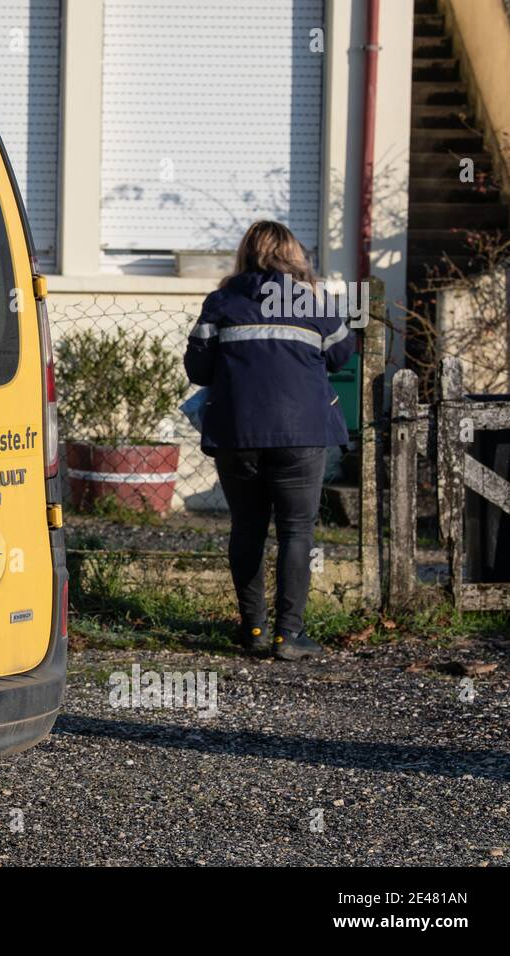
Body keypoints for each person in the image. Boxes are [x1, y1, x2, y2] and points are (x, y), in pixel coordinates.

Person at [183, 220, 356, 660]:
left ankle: (255, 629)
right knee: (297, 532)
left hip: (237, 435)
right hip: (302, 436)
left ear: (246, 255)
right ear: (294, 256)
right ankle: (289, 635)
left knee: (248, 528)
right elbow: (341, 352)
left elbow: (199, 370)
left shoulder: (222, 301)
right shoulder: (310, 302)